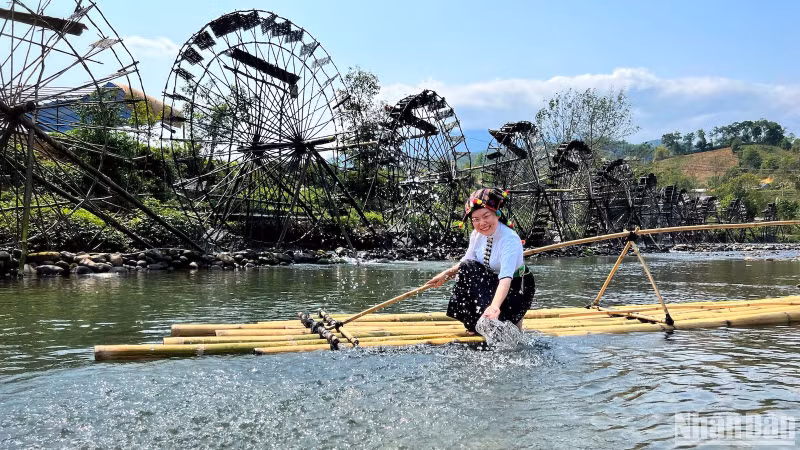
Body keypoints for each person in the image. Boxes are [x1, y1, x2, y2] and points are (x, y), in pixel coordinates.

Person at [425, 188, 535, 334]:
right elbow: (467, 261)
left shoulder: (509, 239)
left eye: (486, 216)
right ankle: (474, 323)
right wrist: (446, 275)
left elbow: (505, 279)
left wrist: (495, 307)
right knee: (467, 267)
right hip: (492, 282)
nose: (481, 223)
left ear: (496, 213)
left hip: (516, 288)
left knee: (498, 327)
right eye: (475, 219)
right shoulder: (477, 235)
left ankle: (512, 317)